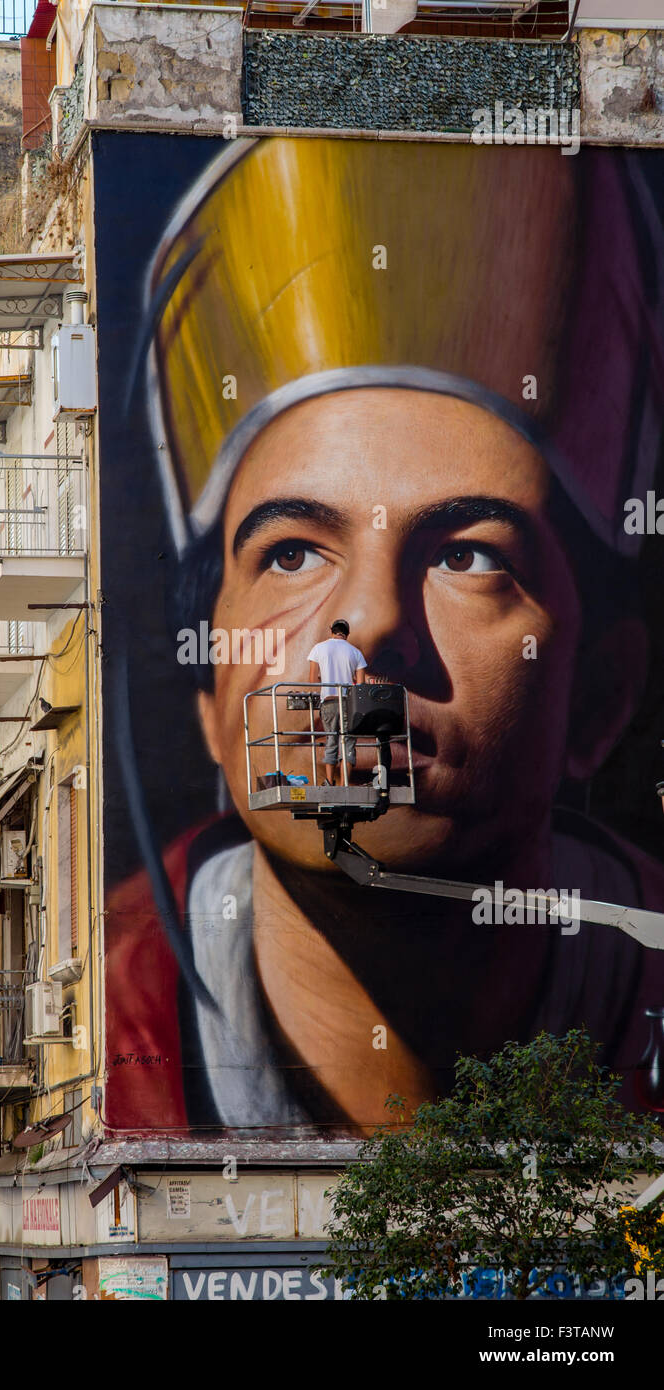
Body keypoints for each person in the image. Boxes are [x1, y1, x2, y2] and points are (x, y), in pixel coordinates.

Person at [104, 137, 664, 1137]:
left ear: (599, 694)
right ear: (206, 689)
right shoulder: (107, 1011)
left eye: (466, 555)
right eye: (288, 554)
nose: (368, 628)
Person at [308, 620, 367, 785]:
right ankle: (344, 784)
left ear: (331, 631)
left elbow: (313, 680)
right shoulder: (356, 653)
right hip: (349, 703)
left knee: (331, 741)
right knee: (348, 743)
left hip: (329, 701)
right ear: (347, 634)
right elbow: (360, 685)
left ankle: (329, 781)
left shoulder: (318, 648)